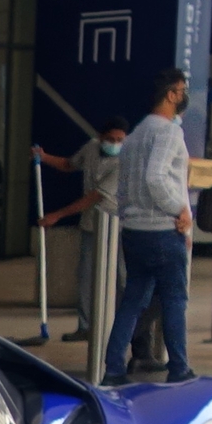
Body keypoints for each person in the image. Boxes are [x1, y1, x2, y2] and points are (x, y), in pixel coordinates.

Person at [103, 69, 197, 386]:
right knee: (174, 299)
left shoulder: (136, 134)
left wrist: (131, 214)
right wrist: (179, 210)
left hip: (134, 230)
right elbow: (155, 177)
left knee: (133, 300)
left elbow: (126, 185)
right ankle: (180, 368)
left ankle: (114, 367)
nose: (185, 96)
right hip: (162, 229)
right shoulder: (168, 133)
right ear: (171, 94)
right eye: (183, 90)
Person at [35, 119, 129, 342]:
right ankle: (85, 326)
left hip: (117, 224)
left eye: (120, 140)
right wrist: (44, 157)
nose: (115, 144)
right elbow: (69, 164)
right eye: (111, 139)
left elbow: (94, 197)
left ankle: (124, 325)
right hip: (91, 225)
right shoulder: (90, 148)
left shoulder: (125, 160)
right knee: (86, 276)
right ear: (100, 137)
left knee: (121, 277)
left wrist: (57, 215)